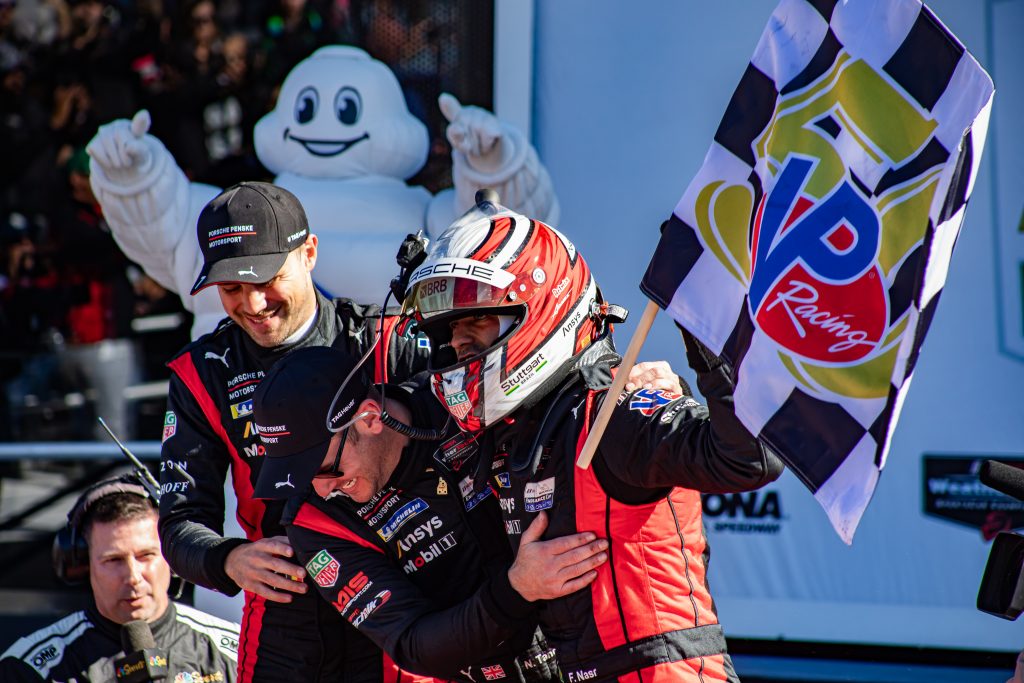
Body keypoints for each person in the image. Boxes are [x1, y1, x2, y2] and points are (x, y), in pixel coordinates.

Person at [402, 199, 786, 682]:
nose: (459, 342)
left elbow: (752, 458)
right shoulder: (513, 435)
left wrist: (703, 317)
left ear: (539, 307)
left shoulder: (610, 410)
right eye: (451, 329)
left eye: (477, 320)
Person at [155, 180, 432, 681]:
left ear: (309, 253)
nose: (253, 304)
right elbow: (179, 524)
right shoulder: (203, 374)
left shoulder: (385, 342)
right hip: (287, 612)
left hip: (402, 598)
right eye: (231, 288)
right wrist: (229, 558)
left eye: (267, 280)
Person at [249, 344, 610, 682]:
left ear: (370, 418)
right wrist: (517, 590)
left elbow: (577, 390)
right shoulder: (315, 521)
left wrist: (616, 389)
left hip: (600, 632)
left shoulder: (463, 398)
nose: (323, 489)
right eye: (302, 477)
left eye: (326, 469)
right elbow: (413, 644)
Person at [0, 474, 240, 682]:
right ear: (82, 564)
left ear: (172, 557)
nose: (133, 577)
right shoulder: (28, 668)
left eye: (146, 556)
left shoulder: (234, 650)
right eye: (113, 560)